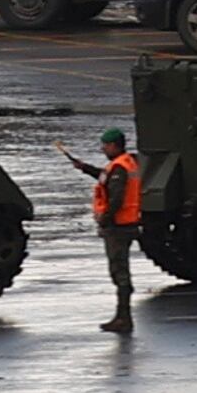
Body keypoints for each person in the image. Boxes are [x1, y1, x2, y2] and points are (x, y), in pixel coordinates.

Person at [54, 127, 140, 334]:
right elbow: (105, 178)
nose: (103, 149)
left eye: (105, 145)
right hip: (125, 224)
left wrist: (105, 219)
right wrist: (84, 168)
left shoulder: (119, 168)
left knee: (119, 271)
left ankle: (124, 318)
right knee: (119, 270)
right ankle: (121, 316)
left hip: (118, 226)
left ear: (114, 146)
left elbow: (116, 198)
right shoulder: (124, 164)